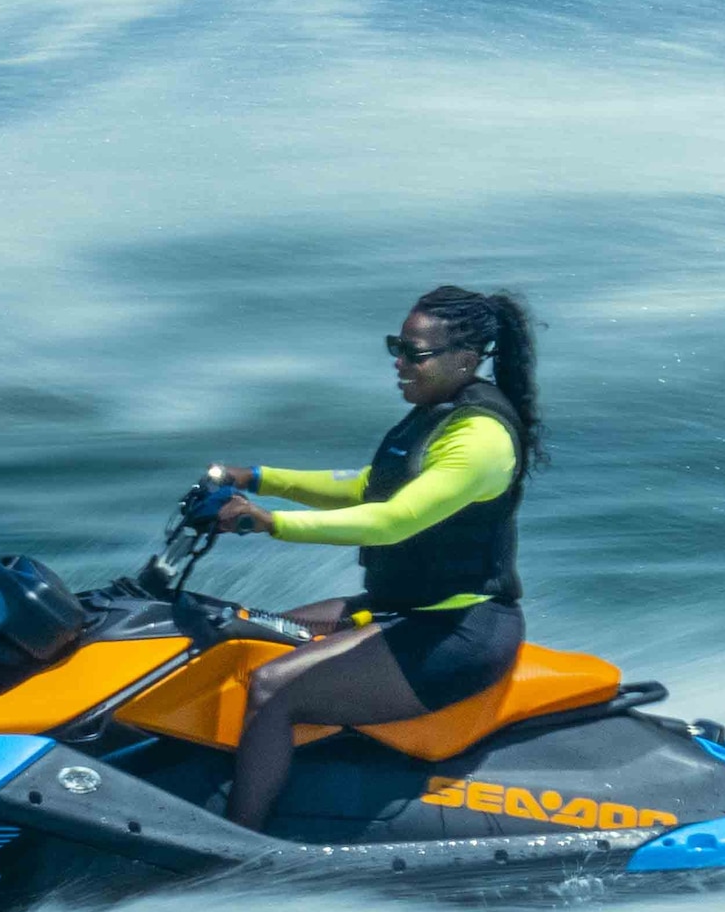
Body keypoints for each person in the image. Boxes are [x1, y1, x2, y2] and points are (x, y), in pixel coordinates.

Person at [193, 286, 541, 835]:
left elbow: (392, 519)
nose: (399, 364)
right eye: (395, 348)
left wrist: (268, 522)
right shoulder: (435, 415)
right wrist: (257, 477)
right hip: (404, 608)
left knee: (274, 688)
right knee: (245, 630)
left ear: (465, 361)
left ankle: (238, 842)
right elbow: (365, 487)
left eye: (414, 354)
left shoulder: (479, 438)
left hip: (457, 631)